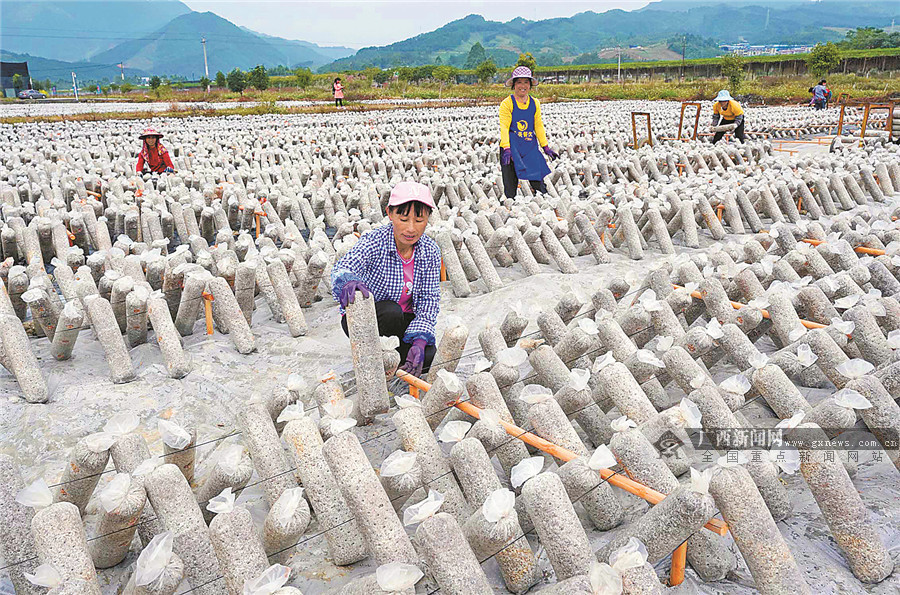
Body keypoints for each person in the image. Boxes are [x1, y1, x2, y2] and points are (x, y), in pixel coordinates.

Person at [331, 181, 440, 378]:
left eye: (419, 220)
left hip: (403, 320)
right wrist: (347, 280)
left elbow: (428, 299)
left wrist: (420, 340)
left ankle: (393, 362)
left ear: (428, 218)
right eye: (403, 218)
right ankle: (377, 363)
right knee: (391, 311)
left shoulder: (430, 251)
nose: (411, 228)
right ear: (390, 214)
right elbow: (345, 266)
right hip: (368, 317)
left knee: (428, 355)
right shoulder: (375, 241)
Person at [499, 66, 558, 199]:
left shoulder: (534, 103)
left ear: (530, 85)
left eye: (526, 82)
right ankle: (510, 206)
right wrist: (506, 148)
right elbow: (504, 127)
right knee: (510, 182)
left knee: (537, 178)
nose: (523, 86)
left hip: (529, 145)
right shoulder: (507, 103)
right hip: (511, 146)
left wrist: (545, 146)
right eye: (519, 82)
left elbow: (538, 125)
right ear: (514, 85)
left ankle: (546, 204)